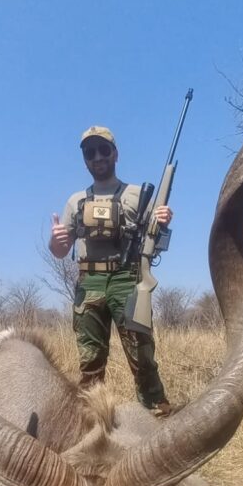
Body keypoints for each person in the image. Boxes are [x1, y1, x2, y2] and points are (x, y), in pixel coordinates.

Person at [49, 126, 173, 416]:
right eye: (89, 152)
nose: (97, 157)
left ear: (115, 154)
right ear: (85, 159)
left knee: (142, 355)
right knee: (90, 363)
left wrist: (163, 220)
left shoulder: (136, 195)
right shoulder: (75, 201)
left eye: (103, 150)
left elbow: (157, 239)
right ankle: (90, 426)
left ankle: (157, 417)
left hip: (126, 280)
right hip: (88, 282)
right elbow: (59, 251)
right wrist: (56, 241)